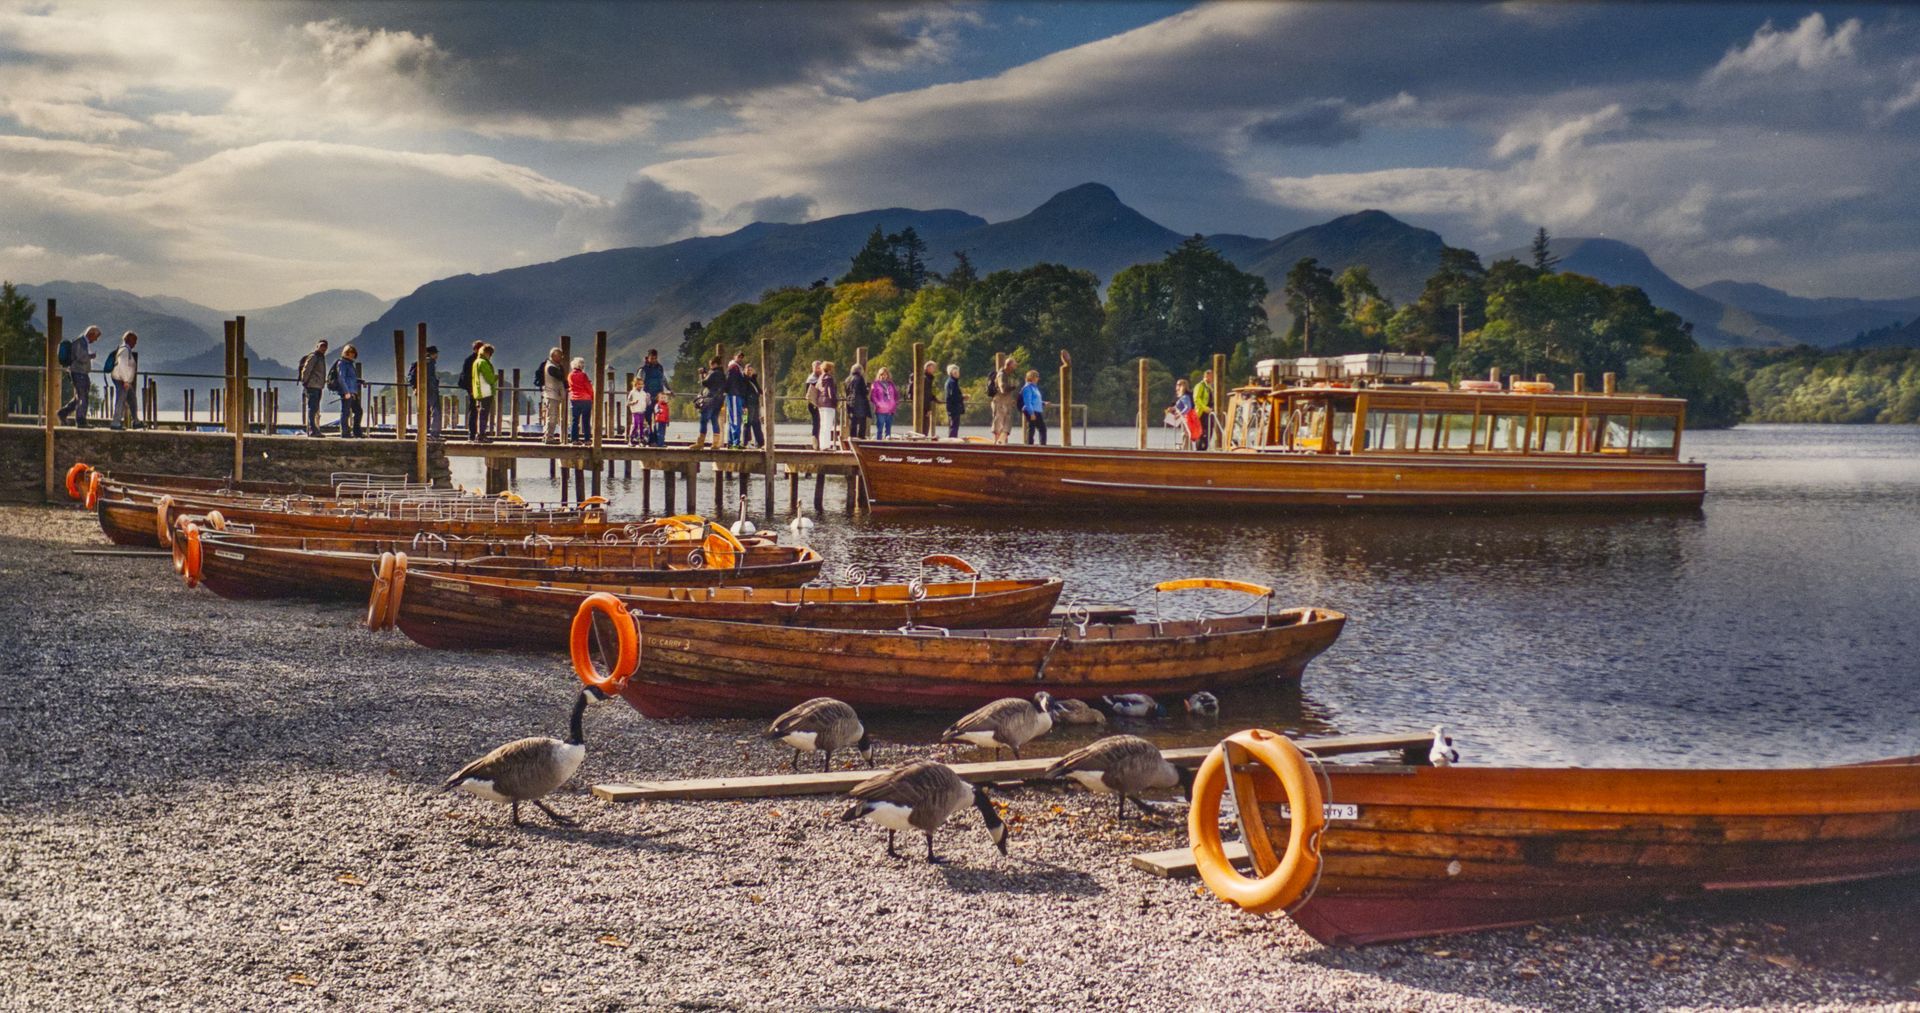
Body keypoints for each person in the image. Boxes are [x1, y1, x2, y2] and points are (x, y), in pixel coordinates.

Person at [57, 325, 100, 427]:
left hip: (81, 373)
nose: (96, 339)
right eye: (96, 336)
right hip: (78, 373)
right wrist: (91, 356)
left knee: (79, 397)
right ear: (91, 334)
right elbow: (81, 357)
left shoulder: (82, 342)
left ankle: (63, 413)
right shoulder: (80, 342)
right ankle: (81, 421)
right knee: (83, 396)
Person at [405, 345, 442, 439]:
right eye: (436, 353)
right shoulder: (429, 362)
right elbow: (430, 378)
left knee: (423, 412)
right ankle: (434, 434)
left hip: (422, 390)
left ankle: (422, 433)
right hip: (430, 390)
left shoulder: (418, 362)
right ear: (432, 354)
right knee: (435, 412)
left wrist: (415, 387)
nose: (437, 355)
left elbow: (410, 377)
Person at [297, 339, 329, 436]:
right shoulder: (314, 356)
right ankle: (312, 429)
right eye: (322, 346)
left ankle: (314, 429)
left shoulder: (321, 357)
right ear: (317, 346)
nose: (323, 348)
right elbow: (306, 370)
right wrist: (305, 382)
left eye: (325, 346)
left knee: (314, 408)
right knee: (312, 407)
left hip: (318, 386)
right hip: (312, 386)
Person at [107, 331, 139, 429]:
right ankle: (115, 423)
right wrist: (125, 380)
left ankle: (136, 421)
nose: (135, 343)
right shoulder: (125, 350)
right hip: (122, 380)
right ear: (129, 340)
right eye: (134, 340)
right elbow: (123, 365)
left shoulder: (125, 350)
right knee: (121, 400)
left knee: (132, 399)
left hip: (125, 380)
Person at [694, 356, 725, 449]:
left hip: (710, 400)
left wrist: (701, 374)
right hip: (718, 401)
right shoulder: (722, 374)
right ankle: (715, 444)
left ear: (715, 364)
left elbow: (704, 383)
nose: (710, 366)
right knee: (714, 421)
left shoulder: (713, 373)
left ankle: (700, 443)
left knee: (703, 420)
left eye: (711, 364)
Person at [470, 344, 498, 443]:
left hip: (478, 392)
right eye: (490, 354)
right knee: (484, 415)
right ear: (486, 353)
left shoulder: (476, 362)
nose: (490, 356)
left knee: (480, 414)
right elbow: (489, 378)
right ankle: (482, 435)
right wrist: (495, 377)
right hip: (486, 391)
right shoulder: (483, 363)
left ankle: (479, 435)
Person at [539, 347, 567, 444]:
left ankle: (547, 436)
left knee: (551, 417)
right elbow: (561, 377)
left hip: (553, 395)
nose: (561, 358)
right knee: (552, 417)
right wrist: (562, 368)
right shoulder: (551, 367)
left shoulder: (553, 366)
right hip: (552, 395)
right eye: (560, 356)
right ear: (554, 356)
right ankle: (549, 437)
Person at [334, 344, 364, 438]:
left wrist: (360, 381)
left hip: (353, 392)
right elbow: (341, 378)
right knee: (346, 412)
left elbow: (351, 378)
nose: (352, 355)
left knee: (358, 411)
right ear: (346, 353)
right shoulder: (342, 363)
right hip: (347, 392)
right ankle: (345, 433)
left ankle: (357, 432)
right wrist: (346, 392)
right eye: (350, 353)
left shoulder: (350, 364)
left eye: (353, 353)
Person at [988, 358, 1018, 444]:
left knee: (1006, 425)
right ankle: (997, 445)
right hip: (1000, 403)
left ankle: (1003, 444)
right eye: (1014, 366)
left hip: (1006, 403)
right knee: (998, 425)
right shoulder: (1001, 374)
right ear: (1008, 365)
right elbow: (1003, 389)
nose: (1014, 368)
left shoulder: (1008, 375)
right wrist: (1013, 386)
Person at [457, 340, 483, 440]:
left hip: (477, 388)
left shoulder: (475, 359)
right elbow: (467, 376)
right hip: (473, 388)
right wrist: (471, 389)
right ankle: (472, 434)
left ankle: (475, 434)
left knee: (476, 411)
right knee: (474, 411)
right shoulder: (471, 360)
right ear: (475, 349)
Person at [724, 352, 749, 449]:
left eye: (742, 357)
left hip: (737, 395)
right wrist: (728, 390)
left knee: (734, 419)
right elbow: (729, 380)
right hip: (734, 394)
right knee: (735, 419)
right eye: (739, 356)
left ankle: (731, 442)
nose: (740, 358)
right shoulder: (733, 367)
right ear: (734, 357)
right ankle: (735, 442)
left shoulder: (738, 368)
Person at [566, 356, 592, 445]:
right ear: (581, 366)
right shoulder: (583, 375)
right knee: (586, 421)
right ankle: (587, 440)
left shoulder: (570, 375)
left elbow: (570, 387)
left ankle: (574, 439)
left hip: (574, 399)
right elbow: (588, 387)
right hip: (586, 400)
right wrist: (592, 397)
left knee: (575, 420)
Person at [815, 361, 839, 450]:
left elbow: (817, 389)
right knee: (828, 425)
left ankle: (822, 445)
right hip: (828, 404)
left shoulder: (820, 378)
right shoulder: (829, 378)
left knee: (822, 425)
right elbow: (830, 392)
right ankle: (826, 446)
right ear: (830, 369)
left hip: (820, 403)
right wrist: (835, 402)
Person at [844, 362, 870, 440]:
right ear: (860, 370)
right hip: (860, 403)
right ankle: (861, 438)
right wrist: (868, 389)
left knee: (853, 422)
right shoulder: (860, 378)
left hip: (850, 403)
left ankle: (852, 437)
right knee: (862, 422)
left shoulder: (847, 379)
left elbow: (846, 391)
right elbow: (864, 392)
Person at [870, 367, 898, 440]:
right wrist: (878, 404)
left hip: (890, 409)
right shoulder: (875, 384)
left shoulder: (891, 384)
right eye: (882, 374)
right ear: (879, 375)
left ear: (888, 375)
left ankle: (888, 443)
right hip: (880, 410)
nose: (883, 376)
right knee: (880, 427)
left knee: (888, 428)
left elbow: (896, 395)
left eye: (885, 375)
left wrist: (894, 403)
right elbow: (873, 396)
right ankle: (878, 441)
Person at [1020, 369, 1046, 445]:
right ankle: (1030, 446)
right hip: (1031, 410)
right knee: (1032, 429)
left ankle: (1042, 446)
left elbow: (1036, 400)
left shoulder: (1035, 387)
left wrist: (1043, 403)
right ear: (1032, 377)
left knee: (1041, 428)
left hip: (1037, 410)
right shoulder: (1027, 387)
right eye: (1037, 376)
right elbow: (1027, 401)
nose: (1038, 378)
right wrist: (1031, 413)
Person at [742, 364, 765, 448]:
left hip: (755, 404)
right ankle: (746, 442)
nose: (749, 372)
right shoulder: (743, 380)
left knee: (756, 423)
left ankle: (760, 443)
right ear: (744, 370)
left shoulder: (753, 380)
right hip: (745, 405)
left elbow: (759, 390)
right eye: (748, 370)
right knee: (746, 423)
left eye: (751, 370)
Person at [1168, 378, 1195, 450]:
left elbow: (1188, 407)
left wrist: (1179, 415)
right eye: (1177, 384)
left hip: (1187, 418)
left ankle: (1186, 450)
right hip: (1184, 419)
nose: (1177, 386)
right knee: (1185, 435)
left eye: (1179, 384)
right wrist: (1173, 408)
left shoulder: (1185, 396)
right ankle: (1188, 449)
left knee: (1186, 434)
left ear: (1184, 386)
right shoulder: (1181, 396)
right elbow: (1180, 406)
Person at [1194, 369, 1215, 450]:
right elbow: (1196, 399)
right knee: (1201, 432)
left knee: (1209, 431)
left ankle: (1204, 448)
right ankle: (1199, 449)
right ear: (1206, 376)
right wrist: (1205, 408)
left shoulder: (1209, 387)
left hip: (1209, 412)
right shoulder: (1200, 385)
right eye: (1211, 376)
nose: (1212, 378)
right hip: (1201, 412)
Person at [641, 349, 666, 415]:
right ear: (648, 357)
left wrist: (670, 390)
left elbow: (663, 380)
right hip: (647, 397)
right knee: (647, 417)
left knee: (659, 417)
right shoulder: (643, 369)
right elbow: (639, 383)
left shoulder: (660, 367)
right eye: (652, 358)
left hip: (658, 396)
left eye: (655, 358)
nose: (653, 360)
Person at [943, 363, 964, 439]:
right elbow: (952, 396)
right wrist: (962, 397)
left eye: (958, 372)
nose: (957, 374)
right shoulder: (951, 382)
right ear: (951, 373)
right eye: (955, 372)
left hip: (954, 407)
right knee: (953, 427)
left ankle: (952, 441)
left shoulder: (953, 382)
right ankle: (952, 443)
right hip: (953, 408)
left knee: (954, 426)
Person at [918, 359, 939, 435]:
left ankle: (922, 439)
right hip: (924, 406)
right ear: (927, 368)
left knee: (924, 425)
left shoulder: (928, 378)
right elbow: (926, 395)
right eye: (933, 367)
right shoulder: (925, 379)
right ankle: (922, 441)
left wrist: (934, 398)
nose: (934, 369)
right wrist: (928, 409)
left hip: (922, 405)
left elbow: (928, 393)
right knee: (925, 426)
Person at [803, 360, 822, 443]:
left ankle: (818, 439)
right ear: (813, 368)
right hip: (813, 404)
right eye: (817, 367)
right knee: (816, 422)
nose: (818, 369)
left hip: (819, 403)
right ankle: (815, 438)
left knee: (819, 422)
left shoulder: (819, 377)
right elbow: (808, 393)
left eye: (819, 367)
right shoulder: (811, 379)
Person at [625, 376, 647, 446]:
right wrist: (633, 402)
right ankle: (630, 440)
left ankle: (641, 440)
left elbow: (646, 402)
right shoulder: (632, 392)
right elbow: (627, 403)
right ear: (635, 384)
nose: (640, 385)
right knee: (635, 425)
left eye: (642, 384)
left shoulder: (644, 393)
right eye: (638, 384)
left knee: (641, 426)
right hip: (635, 411)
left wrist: (648, 399)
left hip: (642, 411)